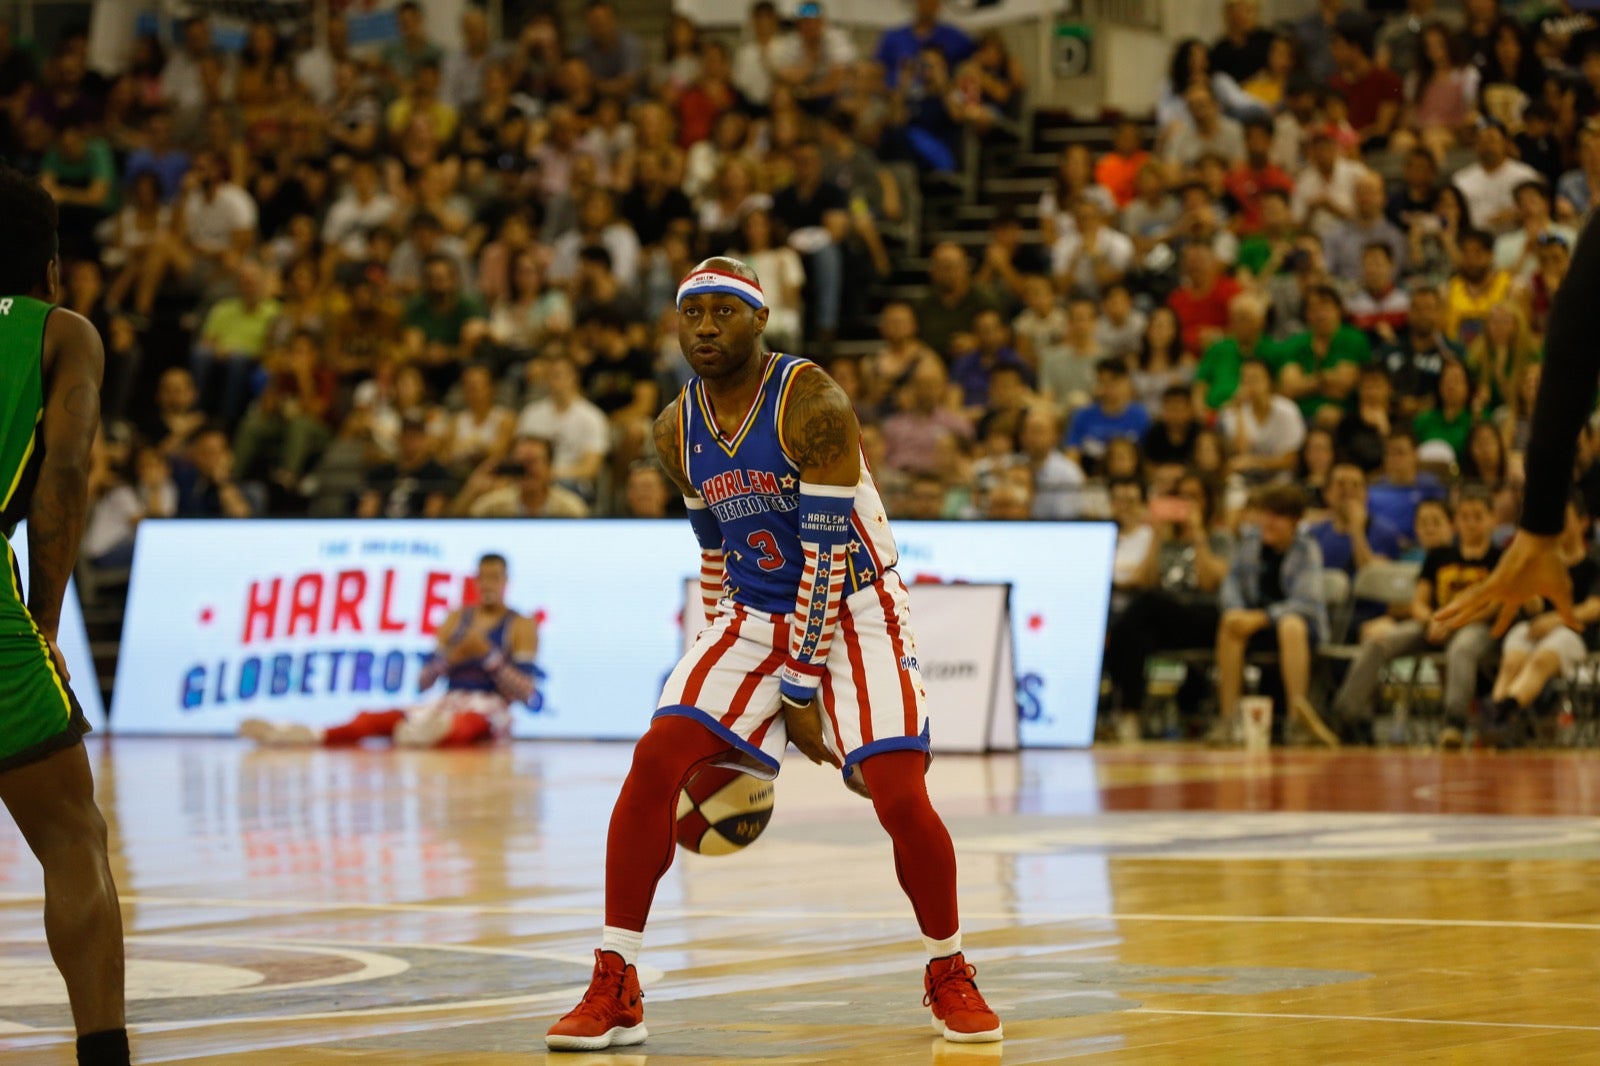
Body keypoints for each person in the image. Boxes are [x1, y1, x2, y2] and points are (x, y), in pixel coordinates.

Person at [545, 258, 1001, 1050]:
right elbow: (714, 552)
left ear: (760, 320)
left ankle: (948, 968)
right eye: (692, 313)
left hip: (855, 603)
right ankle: (615, 980)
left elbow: (823, 561)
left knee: (897, 793)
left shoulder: (811, 404)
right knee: (657, 756)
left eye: (724, 311)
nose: (706, 326)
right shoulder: (675, 428)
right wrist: (721, 672)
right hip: (753, 611)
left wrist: (796, 694)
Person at [0, 167, 129, 1065]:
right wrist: (44, 622)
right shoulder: (60, 331)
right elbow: (66, 475)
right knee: (72, 834)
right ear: (51, 269)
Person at [242, 554, 540, 749]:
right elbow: (422, 683)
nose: (488, 584)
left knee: (465, 727)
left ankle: (427, 734)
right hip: (447, 701)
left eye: (495, 577)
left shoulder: (521, 625)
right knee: (374, 720)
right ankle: (310, 734)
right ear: (475, 580)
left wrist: (489, 657)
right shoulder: (455, 619)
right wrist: (449, 659)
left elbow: (527, 694)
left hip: (488, 706)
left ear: (506, 582)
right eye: (483, 577)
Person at [1334, 486, 1501, 748]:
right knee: (1379, 640)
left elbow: (1494, 606)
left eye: (1477, 517)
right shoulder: (1439, 555)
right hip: (1434, 624)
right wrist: (1431, 619)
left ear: (1493, 519)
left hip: (1477, 627)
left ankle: (1454, 723)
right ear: (1456, 521)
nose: (1470, 523)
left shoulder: (1499, 557)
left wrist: (1452, 622)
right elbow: (1419, 602)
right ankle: (1346, 716)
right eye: (1465, 517)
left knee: (1462, 648)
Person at [1212, 482, 1338, 748]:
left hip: (1301, 632)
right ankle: (1228, 720)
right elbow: (1231, 583)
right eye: (1265, 514)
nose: (1268, 522)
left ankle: (1296, 722)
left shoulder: (1307, 550)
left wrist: (1262, 617)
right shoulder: (1250, 544)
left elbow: (1305, 603)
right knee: (1230, 624)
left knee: (1290, 625)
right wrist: (1236, 611)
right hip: (1256, 625)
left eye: (1278, 516)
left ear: (1295, 522)